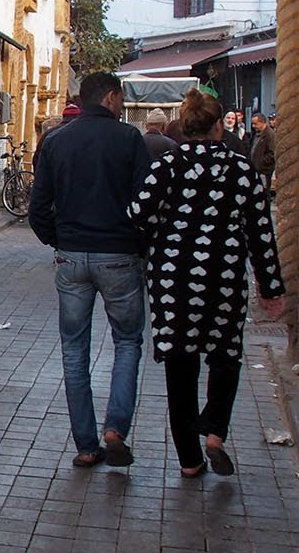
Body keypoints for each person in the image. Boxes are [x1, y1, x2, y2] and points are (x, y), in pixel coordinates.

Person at [129, 88, 286, 477]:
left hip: (173, 280)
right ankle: (215, 430)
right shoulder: (241, 170)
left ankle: (189, 461)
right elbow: (261, 234)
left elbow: (136, 213)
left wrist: (163, 234)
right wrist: (271, 288)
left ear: (184, 126)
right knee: (225, 356)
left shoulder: (167, 166)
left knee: (180, 367)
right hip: (224, 278)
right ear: (219, 126)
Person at [29, 72, 151, 469]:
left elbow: (38, 207)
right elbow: (146, 204)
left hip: (72, 255)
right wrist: (138, 245)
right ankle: (115, 427)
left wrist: (59, 240)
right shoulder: (129, 139)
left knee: (73, 349)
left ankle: (86, 444)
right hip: (118, 255)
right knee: (128, 342)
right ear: (112, 97)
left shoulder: (57, 140)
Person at [247, 111, 276, 186]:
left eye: (255, 124)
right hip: (255, 170)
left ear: (262, 122)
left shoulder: (270, 135)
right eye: (252, 124)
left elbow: (272, 153)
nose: (253, 126)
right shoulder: (256, 134)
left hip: (264, 172)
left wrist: (260, 163)